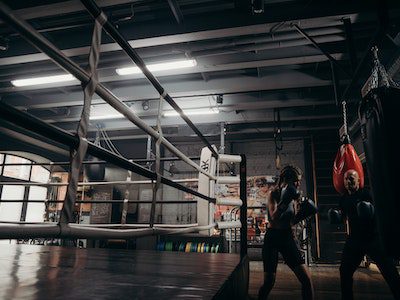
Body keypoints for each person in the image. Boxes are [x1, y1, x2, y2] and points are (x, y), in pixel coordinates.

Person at [328, 169, 400, 300]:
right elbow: (343, 218)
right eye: (346, 179)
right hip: (355, 240)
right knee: (344, 271)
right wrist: (336, 216)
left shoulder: (366, 194)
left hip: (373, 238)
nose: (348, 181)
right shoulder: (343, 199)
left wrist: (370, 209)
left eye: (351, 178)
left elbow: (380, 212)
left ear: (359, 180)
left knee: (390, 272)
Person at [258, 165, 315, 300]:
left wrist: (303, 214)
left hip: (286, 238)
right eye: (296, 180)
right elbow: (273, 218)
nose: (298, 183)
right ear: (287, 179)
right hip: (272, 238)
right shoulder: (274, 194)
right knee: (269, 282)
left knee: (306, 280)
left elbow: (290, 221)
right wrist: (284, 201)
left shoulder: (294, 195)